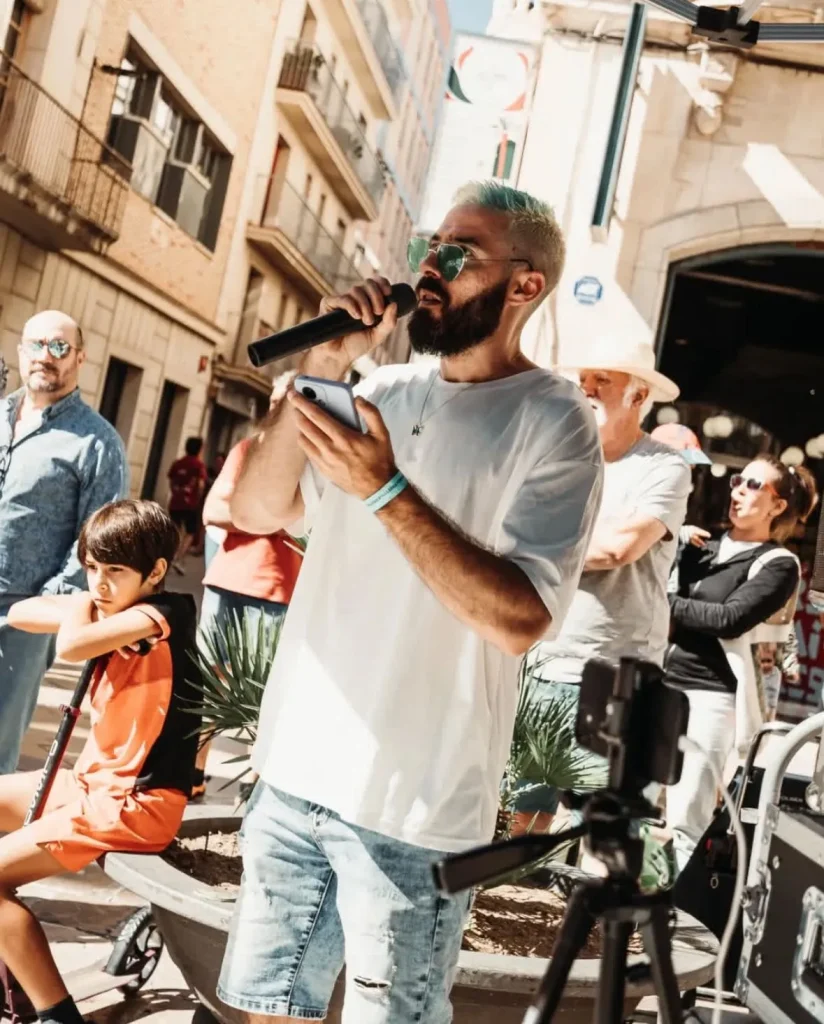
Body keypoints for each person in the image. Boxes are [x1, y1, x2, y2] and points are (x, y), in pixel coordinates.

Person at [217, 180, 604, 1023]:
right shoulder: (383, 390)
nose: (430, 267)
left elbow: (519, 619)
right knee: (263, 1010)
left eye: (458, 254)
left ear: (525, 285)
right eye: (431, 246)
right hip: (292, 774)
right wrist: (324, 367)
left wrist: (386, 486)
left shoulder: (556, 420)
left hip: (413, 810)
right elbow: (257, 510)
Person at [0, 499, 199, 1024]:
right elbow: (21, 612)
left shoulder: (164, 615)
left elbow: (70, 645)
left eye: (115, 571)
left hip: (136, 803)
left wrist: (82, 611)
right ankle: (15, 964)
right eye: (92, 568)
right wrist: (88, 603)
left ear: (156, 572)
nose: (100, 583)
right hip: (94, 786)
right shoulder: (112, 610)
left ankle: (55, 1015)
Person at [512, 337, 692, 834]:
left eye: (602, 383)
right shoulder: (555, 455)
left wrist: (533, 548)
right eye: (584, 380)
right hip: (539, 661)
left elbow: (618, 549)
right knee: (521, 822)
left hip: (614, 676)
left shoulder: (664, 467)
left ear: (638, 397)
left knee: (602, 833)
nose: (586, 390)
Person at [665, 456, 817, 872]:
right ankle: (616, 911)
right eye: (737, 480)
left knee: (684, 819)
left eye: (752, 485)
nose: (737, 491)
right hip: (662, 681)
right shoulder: (701, 545)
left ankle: (667, 927)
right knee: (635, 805)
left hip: (711, 697)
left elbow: (729, 619)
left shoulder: (778, 564)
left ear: (778, 506)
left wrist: (662, 604)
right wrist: (672, 547)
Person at [0, 310, 128, 775]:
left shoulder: (97, 443)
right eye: (36, 345)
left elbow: (99, 542)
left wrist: (46, 608)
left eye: (58, 348)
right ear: (21, 351)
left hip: (21, 620)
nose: (45, 358)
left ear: (79, 357)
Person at [192, 419, 304, 800]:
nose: (280, 410)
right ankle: (190, 774)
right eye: (276, 403)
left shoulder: (315, 457)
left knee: (265, 696)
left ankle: (252, 790)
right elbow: (213, 510)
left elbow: (308, 524)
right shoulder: (247, 450)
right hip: (227, 579)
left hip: (280, 589)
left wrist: (249, 512)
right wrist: (273, 518)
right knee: (204, 684)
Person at [168, 436, 208, 571]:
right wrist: (198, 499)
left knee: (176, 530)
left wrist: (176, 493)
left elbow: (171, 480)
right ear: (199, 449)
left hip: (175, 503)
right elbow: (201, 485)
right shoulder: (198, 465)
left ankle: (170, 556)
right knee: (190, 533)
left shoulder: (178, 463)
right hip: (190, 504)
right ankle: (178, 558)